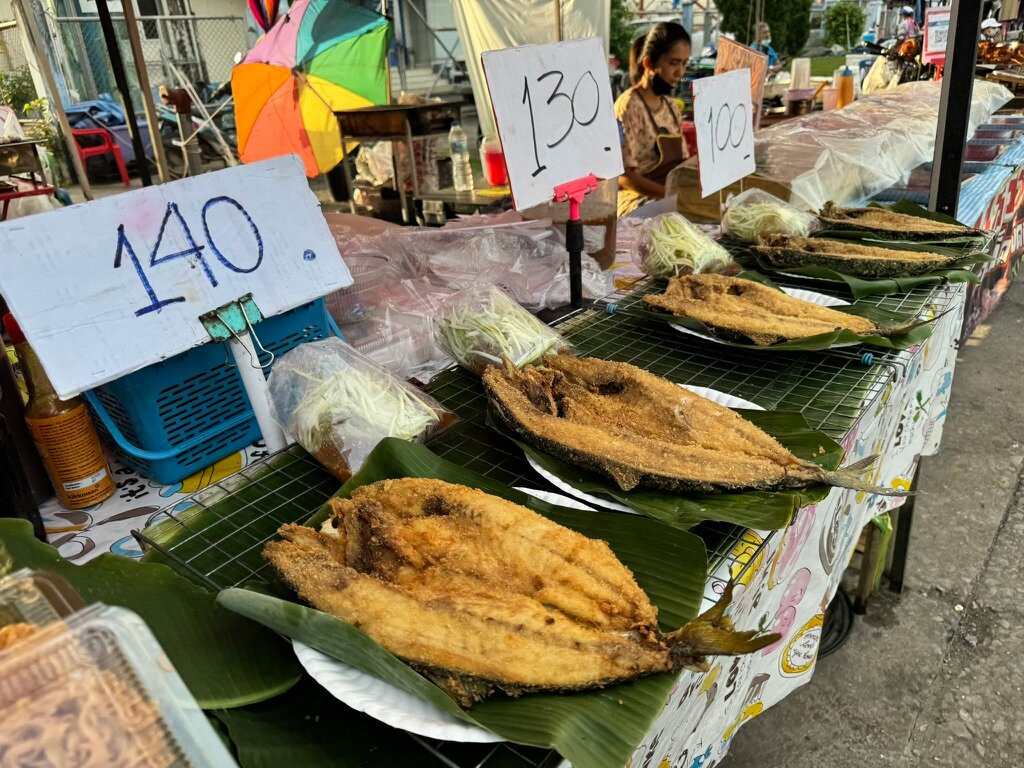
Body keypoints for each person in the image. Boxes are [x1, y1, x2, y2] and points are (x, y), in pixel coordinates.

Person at [614, 22, 691, 216]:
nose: (680, 73)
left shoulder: (671, 107)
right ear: (648, 63)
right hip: (635, 199)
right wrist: (668, 195)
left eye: (684, 63)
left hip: (669, 195)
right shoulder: (628, 106)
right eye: (673, 63)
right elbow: (623, 177)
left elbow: (681, 164)